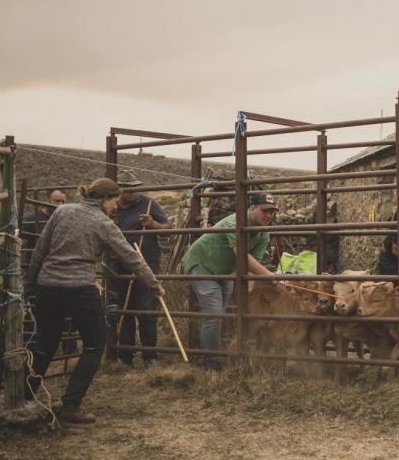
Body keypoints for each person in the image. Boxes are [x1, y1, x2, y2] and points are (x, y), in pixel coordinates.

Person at [23, 178, 163, 424]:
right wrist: (154, 284)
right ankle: (70, 405)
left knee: (45, 343)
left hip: (48, 284)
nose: (115, 207)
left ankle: (24, 397)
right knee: (94, 344)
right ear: (103, 199)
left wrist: (30, 284)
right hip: (79, 287)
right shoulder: (103, 223)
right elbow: (132, 257)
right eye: (114, 202)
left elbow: (40, 250)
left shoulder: (62, 211)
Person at [182, 193, 279, 370]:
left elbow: (250, 268)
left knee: (220, 315)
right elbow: (241, 255)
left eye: (272, 212)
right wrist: (269, 276)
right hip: (201, 264)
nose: (269, 216)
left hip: (224, 271)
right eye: (265, 211)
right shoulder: (234, 223)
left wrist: (249, 292)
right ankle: (212, 363)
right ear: (252, 208)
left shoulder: (263, 234)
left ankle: (214, 355)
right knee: (215, 314)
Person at [109, 170, 173, 368]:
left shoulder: (148, 203)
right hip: (118, 265)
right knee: (124, 310)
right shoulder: (111, 208)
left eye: (135, 189)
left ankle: (150, 356)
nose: (133, 193)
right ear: (118, 191)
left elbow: (168, 227)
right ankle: (125, 357)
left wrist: (152, 224)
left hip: (147, 262)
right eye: (128, 190)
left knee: (146, 309)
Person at [21, 189, 67, 255]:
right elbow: (21, 244)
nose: (60, 204)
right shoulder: (32, 218)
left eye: (63, 202)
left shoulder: (64, 218)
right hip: (38, 261)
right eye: (57, 201)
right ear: (47, 200)